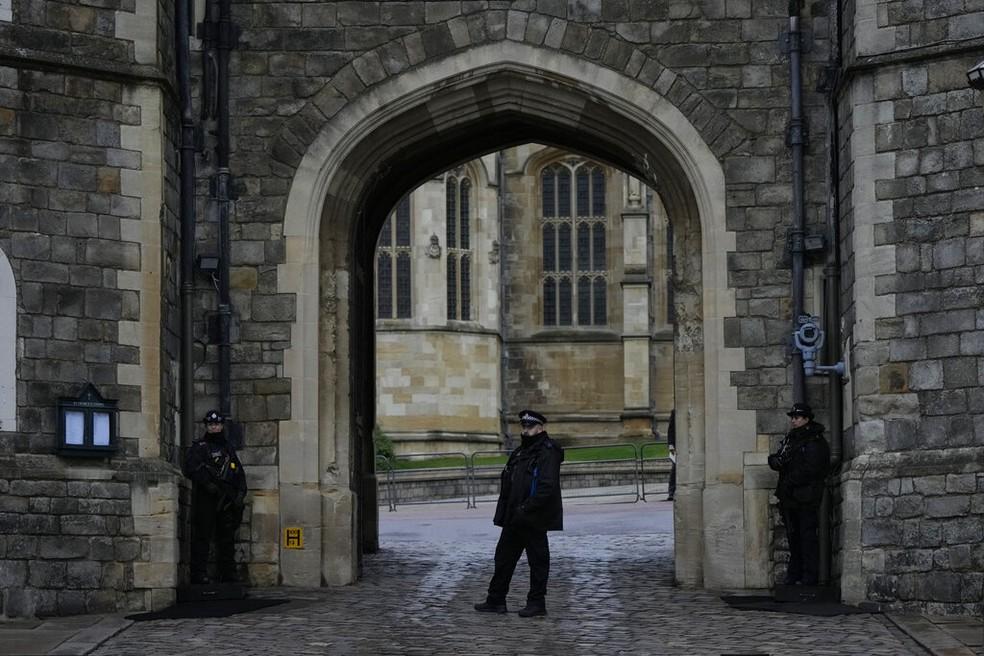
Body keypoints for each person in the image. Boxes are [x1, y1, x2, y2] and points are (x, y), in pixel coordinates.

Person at [474, 409, 564, 617]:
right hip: (515, 517)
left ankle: (536, 603)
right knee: (503, 558)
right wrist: (509, 512)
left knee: (538, 561)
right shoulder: (520, 452)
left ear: (540, 428)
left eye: (530, 427)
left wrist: (526, 508)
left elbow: (546, 487)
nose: (526, 430)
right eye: (524, 426)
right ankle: (495, 600)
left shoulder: (547, 451)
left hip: (533, 517)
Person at [768, 402, 830, 586]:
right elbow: (780, 457)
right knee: (793, 537)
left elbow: (812, 469)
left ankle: (809, 576)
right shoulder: (791, 439)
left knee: (807, 537)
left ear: (806, 419)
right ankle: (794, 573)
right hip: (790, 496)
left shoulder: (814, 441)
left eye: (797, 418)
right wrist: (774, 461)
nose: (793, 421)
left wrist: (790, 480)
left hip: (805, 496)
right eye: (793, 418)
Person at [183, 410, 248, 584]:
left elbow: (238, 473)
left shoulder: (227, 448)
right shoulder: (200, 447)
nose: (214, 427)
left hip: (225, 500)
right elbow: (190, 468)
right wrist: (207, 484)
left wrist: (240, 493)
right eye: (211, 424)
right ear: (207, 426)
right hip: (207, 499)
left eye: (217, 424)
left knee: (226, 538)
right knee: (202, 536)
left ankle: (228, 573)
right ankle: (199, 574)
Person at [665, 409, 676, 502]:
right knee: (675, 469)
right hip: (677, 446)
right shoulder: (674, 412)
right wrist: (671, 445)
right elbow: (671, 429)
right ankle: (671, 492)